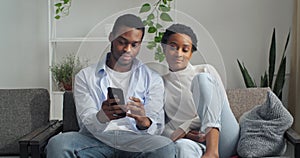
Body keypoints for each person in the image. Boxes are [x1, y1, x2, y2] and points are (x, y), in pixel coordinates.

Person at [46, 14, 175, 158]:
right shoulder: (85, 76)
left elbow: (156, 126)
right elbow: (86, 122)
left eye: (134, 44)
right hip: (96, 140)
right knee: (58, 143)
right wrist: (102, 116)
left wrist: (144, 121)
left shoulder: (153, 79)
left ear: (140, 44)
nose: (127, 49)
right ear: (111, 37)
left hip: (137, 140)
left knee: (165, 146)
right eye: (122, 42)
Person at [161, 23, 240, 158]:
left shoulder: (205, 70)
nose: (179, 54)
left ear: (191, 53)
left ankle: (212, 152)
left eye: (185, 49)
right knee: (181, 147)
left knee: (201, 79)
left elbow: (218, 109)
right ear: (164, 48)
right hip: (191, 142)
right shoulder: (160, 83)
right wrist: (184, 134)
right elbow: (160, 127)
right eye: (173, 47)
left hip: (223, 138)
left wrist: (185, 127)